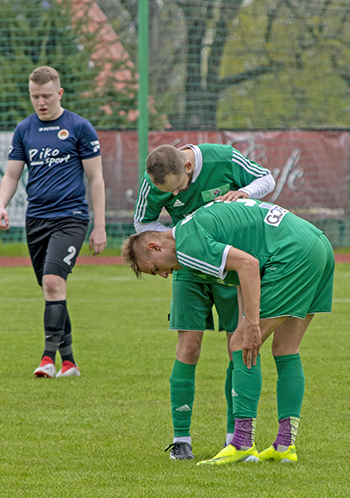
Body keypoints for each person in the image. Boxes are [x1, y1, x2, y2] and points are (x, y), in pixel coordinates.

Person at [122, 198, 335, 465]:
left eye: (155, 269)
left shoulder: (188, 246)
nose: (164, 275)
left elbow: (247, 265)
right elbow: (243, 271)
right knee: (285, 348)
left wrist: (253, 324)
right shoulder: (195, 225)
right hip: (318, 244)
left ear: (155, 247)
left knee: (240, 343)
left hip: (292, 253)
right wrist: (248, 320)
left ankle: (243, 442)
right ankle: (284, 445)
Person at [134, 144, 275, 460]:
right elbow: (142, 228)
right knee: (188, 348)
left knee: (237, 346)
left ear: (186, 167)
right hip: (187, 267)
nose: (175, 198)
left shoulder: (222, 158)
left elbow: (267, 179)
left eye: (178, 189)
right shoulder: (154, 179)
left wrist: (245, 192)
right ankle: (181, 440)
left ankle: (235, 438)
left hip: (230, 264)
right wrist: (183, 237)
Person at [0, 66, 107, 379]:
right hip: (36, 219)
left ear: (59, 93)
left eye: (46, 96)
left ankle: (47, 358)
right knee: (52, 291)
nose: (40, 102)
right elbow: (12, 174)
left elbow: (96, 178)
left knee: (52, 283)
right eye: (34, 97)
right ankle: (69, 363)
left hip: (71, 218)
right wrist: (1, 205)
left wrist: (100, 226)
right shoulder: (24, 130)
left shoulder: (79, 127)